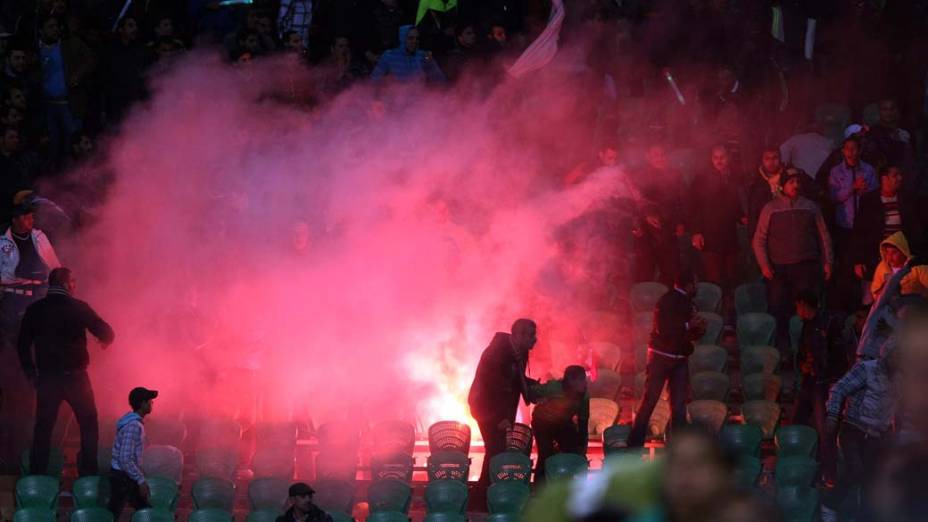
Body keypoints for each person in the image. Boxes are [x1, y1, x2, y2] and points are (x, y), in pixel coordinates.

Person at [18, 267, 114, 476]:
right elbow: (106, 331)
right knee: (88, 425)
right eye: (73, 281)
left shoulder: (35, 309)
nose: (75, 285)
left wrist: (31, 374)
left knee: (43, 430)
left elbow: (22, 345)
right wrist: (105, 341)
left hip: (47, 379)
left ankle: (37, 477)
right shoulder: (78, 307)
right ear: (66, 284)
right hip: (76, 378)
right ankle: (88, 476)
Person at [752, 170, 833, 349]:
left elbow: (823, 236)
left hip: (806, 266)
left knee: (805, 310)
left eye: (797, 182)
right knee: (779, 308)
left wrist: (828, 262)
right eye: (791, 182)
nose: (795, 185)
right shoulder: (770, 209)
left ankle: (806, 347)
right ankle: (782, 348)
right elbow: (759, 240)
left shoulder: (810, 207)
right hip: (779, 268)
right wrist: (764, 265)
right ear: (783, 185)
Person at [627, 270, 705, 447]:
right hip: (661, 358)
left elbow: (688, 333)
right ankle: (634, 443)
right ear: (688, 285)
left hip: (678, 358)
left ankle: (677, 447)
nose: (697, 287)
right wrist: (688, 325)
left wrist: (699, 329)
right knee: (651, 400)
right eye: (695, 283)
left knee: (678, 406)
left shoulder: (688, 303)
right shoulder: (667, 300)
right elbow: (664, 328)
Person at [823, 346, 897, 518]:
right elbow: (839, 388)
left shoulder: (901, 378)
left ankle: (864, 516)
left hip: (876, 435)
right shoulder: (867, 369)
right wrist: (833, 415)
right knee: (856, 470)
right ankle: (829, 504)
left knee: (871, 480)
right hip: (853, 429)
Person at [468, 318, 538, 489]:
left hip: (496, 409)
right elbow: (494, 389)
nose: (534, 339)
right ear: (519, 335)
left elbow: (516, 380)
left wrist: (536, 388)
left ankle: (486, 492)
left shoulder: (517, 350)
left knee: (496, 450)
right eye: (530, 335)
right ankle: (484, 494)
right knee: (495, 450)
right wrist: (501, 417)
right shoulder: (497, 353)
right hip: (486, 409)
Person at [792, 290, 844, 484]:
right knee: (797, 422)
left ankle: (829, 474)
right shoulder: (806, 326)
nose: (797, 310)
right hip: (809, 382)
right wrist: (803, 365)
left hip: (823, 385)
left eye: (798, 306)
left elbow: (837, 356)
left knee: (825, 432)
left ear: (804, 305)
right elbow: (801, 352)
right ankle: (798, 466)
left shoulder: (828, 324)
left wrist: (828, 377)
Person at [687, 145, 746, 310]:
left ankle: (729, 319)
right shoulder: (701, 179)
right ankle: (714, 316)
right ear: (711, 159)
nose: (719, 160)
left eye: (722, 157)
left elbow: (735, 205)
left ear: (728, 158)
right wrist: (696, 232)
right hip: (710, 237)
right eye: (715, 157)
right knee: (714, 280)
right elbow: (692, 206)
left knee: (731, 280)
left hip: (729, 236)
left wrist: (741, 216)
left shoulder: (734, 177)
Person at [853, 166, 923, 295]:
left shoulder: (907, 199)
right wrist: (858, 260)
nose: (900, 178)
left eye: (900, 175)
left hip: (902, 258)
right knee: (878, 294)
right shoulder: (869, 200)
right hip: (877, 257)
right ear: (884, 179)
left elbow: (915, 228)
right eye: (895, 175)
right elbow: (860, 231)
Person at [828, 136, 878, 309]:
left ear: (860, 150)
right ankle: (846, 307)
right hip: (845, 227)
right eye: (847, 148)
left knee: (865, 268)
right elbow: (834, 198)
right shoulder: (836, 172)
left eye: (854, 148)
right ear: (843, 150)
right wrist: (852, 189)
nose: (851, 152)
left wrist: (864, 191)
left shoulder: (869, 170)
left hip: (864, 228)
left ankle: (866, 307)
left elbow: (875, 196)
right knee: (846, 268)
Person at [528, 365, 589, 483]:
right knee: (545, 453)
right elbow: (531, 392)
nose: (584, 383)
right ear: (570, 381)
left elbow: (583, 421)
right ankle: (540, 486)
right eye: (581, 379)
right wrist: (537, 398)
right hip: (542, 423)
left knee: (571, 449)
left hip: (563, 423)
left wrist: (581, 444)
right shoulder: (553, 387)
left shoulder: (584, 397)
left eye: (584, 379)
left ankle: (567, 480)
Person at [108, 387, 157, 518]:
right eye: (149, 401)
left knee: (142, 509)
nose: (152, 403)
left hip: (126, 475)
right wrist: (140, 479)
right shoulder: (133, 426)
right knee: (114, 513)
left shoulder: (134, 423)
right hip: (123, 477)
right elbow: (125, 458)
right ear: (142, 404)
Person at [371, 25, 445, 84]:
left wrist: (430, 63)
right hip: (396, 99)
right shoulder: (389, 56)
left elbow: (440, 80)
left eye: (417, 38)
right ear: (403, 39)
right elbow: (374, 80)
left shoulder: (423, 56)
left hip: (420, 99)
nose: (415, 41)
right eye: (411, 38)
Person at [869, 232, 928, 301]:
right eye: (887, 252)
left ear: (903, 252)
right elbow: (875, 294)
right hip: (889, 309)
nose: (890, 257)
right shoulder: (882, 267)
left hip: (914, 308)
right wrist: (886, 287)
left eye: (894, 252)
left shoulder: (917, 267)